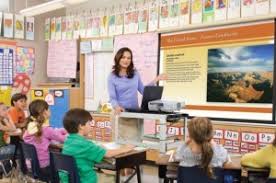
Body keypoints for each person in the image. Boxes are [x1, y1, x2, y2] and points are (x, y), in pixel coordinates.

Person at [60, 108, 134, 183]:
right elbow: (108, 154)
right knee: (115, 179)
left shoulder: (68, 141)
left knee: (100, 172)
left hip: (69, 180)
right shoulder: (85, 145)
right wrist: (125, 148)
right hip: (85, 180)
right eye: (89, 123)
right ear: (81, 126)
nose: (91, 126)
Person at [108, 47, 167, 115]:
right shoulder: (112, 77)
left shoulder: (135, 73)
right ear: (118, 58)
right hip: (120, 113)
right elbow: (112, 98)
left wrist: (156, 79)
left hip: (135, 112)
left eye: (128, 58)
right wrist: (116, 107)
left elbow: (143, 90)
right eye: (123, 57)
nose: (126, 60)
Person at [23, 99, 67, 176]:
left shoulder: (30, 126)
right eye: (49, 109)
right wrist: (72, 132)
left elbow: (53, 132)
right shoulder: (46, 130)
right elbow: (63, 139)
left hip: (30, 165)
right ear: (44, 112)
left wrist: (63, 130)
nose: (50, 111)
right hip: (44, 166)